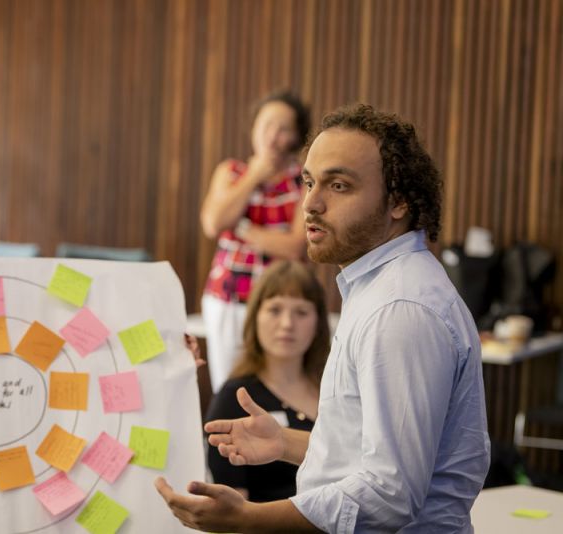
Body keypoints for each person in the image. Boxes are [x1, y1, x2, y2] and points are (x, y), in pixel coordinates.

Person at [156, 104, 490, 532]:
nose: (310, 204)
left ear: (399, 202)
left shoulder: (399, 309)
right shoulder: (378, 288)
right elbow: (371, 451)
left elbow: (389, 495)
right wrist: (285, 443)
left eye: (339, 185)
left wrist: (248, 519)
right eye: (309, 182)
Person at [200, 90, 311, 392]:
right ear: (253, 129)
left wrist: (244, 228)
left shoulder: (303, 180)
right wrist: (254, 176)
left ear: (296, 137)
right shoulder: (231, 172)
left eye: (283, 127)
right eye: (266, 124)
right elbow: (213, 223)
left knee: (273, 388)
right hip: (228, 296)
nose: (273, 135)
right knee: (227, 386)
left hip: (278, 301)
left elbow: (295, 247)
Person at [205, 260, 329, 502]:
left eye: (301, 312)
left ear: (318, 324)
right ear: (255, 317)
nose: (287, 324)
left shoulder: (338, 388)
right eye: (275, 310)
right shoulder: (235, 398)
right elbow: (231, 515)